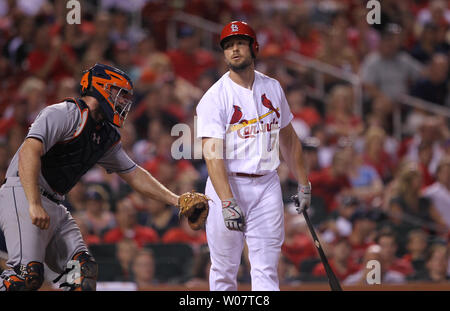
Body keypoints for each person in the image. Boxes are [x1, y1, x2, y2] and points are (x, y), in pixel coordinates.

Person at [0, 63, 187, 291]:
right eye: (120, 95)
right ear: (101, 88)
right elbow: (29, 151)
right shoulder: (63, 113)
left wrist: (178, 200)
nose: (124, 102)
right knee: (26, 277)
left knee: (82, 273)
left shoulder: (105, 135)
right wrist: (33, 203)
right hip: (23, 191)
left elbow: (134, 174)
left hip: (54, 201)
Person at [195, 21, 311, 291]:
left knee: (266, 267)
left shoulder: (273, 88)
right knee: (224, 270)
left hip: (267, 184)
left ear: (253, 47)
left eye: (240, 43)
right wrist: (226, 201)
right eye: (228, 45)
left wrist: (304, 182)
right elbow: (213, 155)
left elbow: (289, 138)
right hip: (228, 184)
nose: (234, 49)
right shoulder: (214, 97)